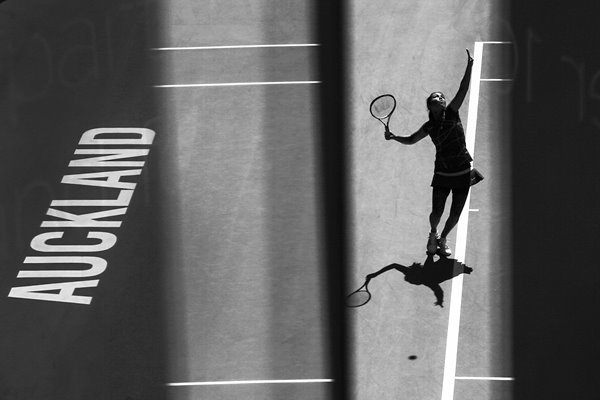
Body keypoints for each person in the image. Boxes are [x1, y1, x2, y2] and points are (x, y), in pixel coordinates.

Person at [385, 49, 475, 257]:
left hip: (462, 171)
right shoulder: (428, 127)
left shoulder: (452, 113)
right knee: (437, 212)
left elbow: (463, 90)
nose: (440, 97)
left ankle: (443, 239)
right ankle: (433, 234)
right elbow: (411, 140)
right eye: (435, 97)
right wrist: (394, 136)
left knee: (455, 213)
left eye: (442, 96)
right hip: (442, 173)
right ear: (430, 105)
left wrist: (469, 66)